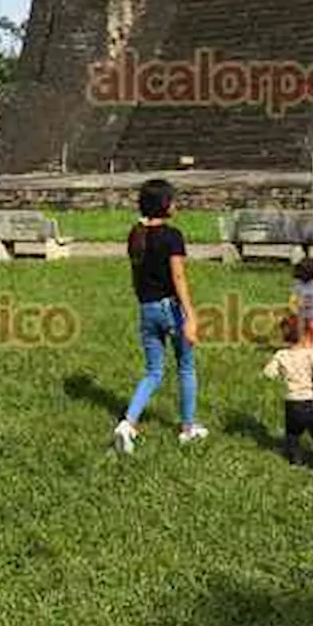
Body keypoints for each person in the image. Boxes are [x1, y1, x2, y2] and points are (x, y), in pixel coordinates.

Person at [113, 178, 209, 454]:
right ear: (165, 205)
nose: (176, 204)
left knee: (153, 371)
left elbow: (136, 275)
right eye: (173, 200)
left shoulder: (135, 234)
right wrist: (190, 315)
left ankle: (128, 423)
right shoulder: (172, 236)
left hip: (146, 308)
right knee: (186, 367)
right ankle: (188, 428)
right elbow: (178, 276)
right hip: (170, 309)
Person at [263, 315, 313, 469]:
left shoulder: (281, 355)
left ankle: (294, 458)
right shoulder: (311, 355)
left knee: (293, 433)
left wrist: (276, 372)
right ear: (305, 337)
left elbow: (268, 372)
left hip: (293, 403)